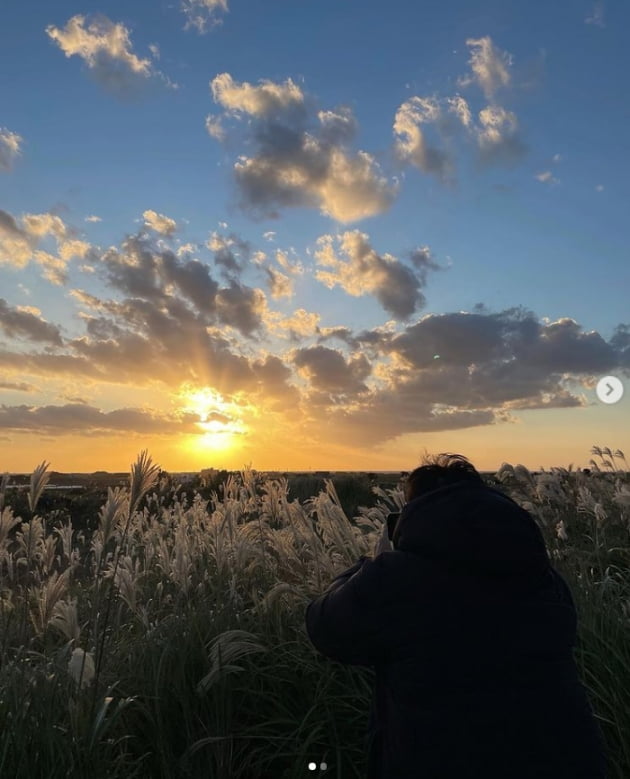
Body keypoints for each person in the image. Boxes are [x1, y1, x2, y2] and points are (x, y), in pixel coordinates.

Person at [305, 453, 608, 778]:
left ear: (416, 512)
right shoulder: (544, 579)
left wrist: (371, 564)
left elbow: (323, 625)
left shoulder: (396, 579)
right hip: (565, 761)